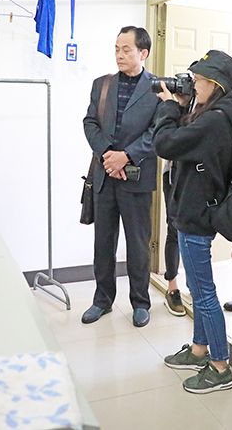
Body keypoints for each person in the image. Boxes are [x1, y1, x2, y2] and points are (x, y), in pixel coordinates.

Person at [154, 50, 232, 394]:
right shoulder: (212, 115)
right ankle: (199, 350)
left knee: (203, 291)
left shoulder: (215, 120)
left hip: (196, 215)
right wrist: (184, 106)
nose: (193, 84)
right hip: (193, 211)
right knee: (198, 286)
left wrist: (169, 108)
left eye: (198, 80)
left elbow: (166, 144)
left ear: (215, 84)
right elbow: (189, 141)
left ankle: (221, 366)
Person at [81, 26, 159, 328]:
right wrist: (107, 155)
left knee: (138, 244)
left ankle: (141, 302)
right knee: (103, 243)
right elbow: (90, 122)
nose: (119, 55)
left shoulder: (157, 89)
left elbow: (158, 131)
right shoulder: (102, 85)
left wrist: (126, 156)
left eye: (126, 49)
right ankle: (102, 300)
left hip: (136, 178)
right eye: (116, 48)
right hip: (105, 175)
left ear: (143, 53)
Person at [161, 160, 185, 316]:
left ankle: (195, 286)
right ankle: (172, 288)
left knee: (199, 232)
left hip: (201, 175)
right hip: (174, 174)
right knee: (174, 229)